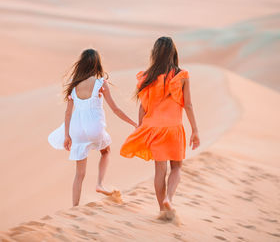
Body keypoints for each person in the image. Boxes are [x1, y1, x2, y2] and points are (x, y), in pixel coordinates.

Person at [120, 37, 200, 218]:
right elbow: (188, 105)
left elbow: (143, 107)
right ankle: (169, 199)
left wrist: (140, 128)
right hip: (173, 128)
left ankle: (162, 210)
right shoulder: (182, 75)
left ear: (155, 53)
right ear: (173, 53)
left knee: (159, 171)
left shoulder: (147, 76)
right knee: (177, 168)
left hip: (153, 129)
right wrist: (195, 130)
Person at [48, 49, 137, 206]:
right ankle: (99, 183)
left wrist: (67, 136)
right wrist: (134, 123)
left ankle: (74, 207)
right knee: (106, 151)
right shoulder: (100, 84)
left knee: (79, 174)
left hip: (76, 130)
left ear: (81, 65)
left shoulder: (74, 87)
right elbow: (115, 109)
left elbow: (68, 114)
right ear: (97, 64)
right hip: (94, 127)